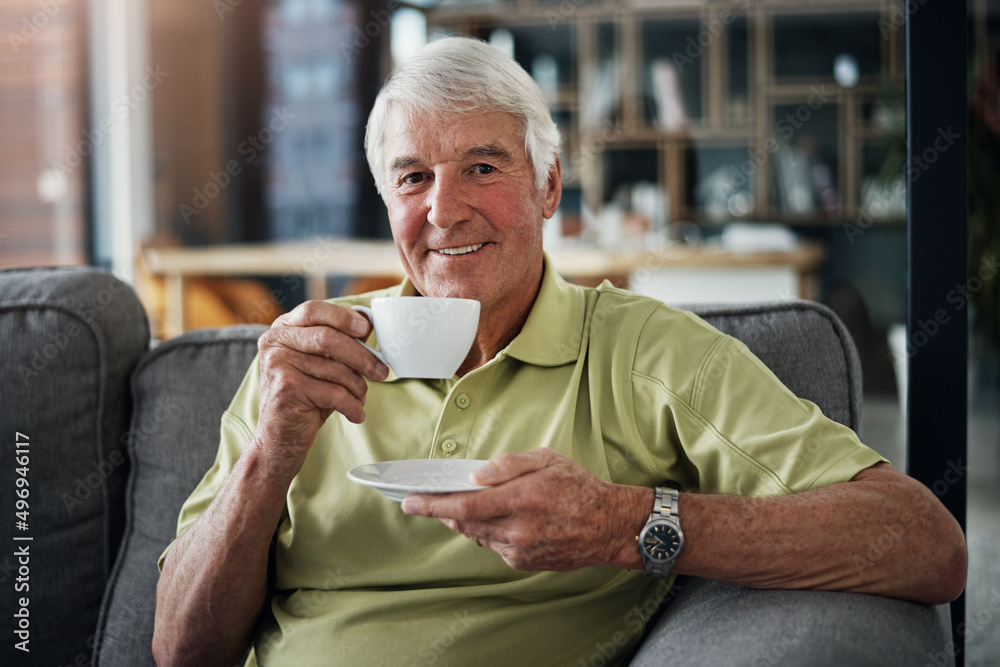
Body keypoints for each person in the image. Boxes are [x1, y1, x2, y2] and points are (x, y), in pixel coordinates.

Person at [153, 36, 967, 666]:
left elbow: (923, 543)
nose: (444, 210)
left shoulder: (647, 351)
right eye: (412, 178)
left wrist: (624, 523)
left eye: (481, 165)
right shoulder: (310, 361)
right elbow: (180, 650)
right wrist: (272, 450)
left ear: (548, 187)